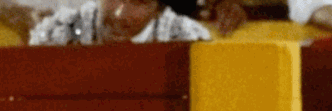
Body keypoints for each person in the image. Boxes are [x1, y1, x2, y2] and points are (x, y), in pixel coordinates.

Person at [28, 0, 211, 44]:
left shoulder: (187, 40)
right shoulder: (58, 32)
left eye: (139, 2)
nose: (119, 12)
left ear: (159, 10)